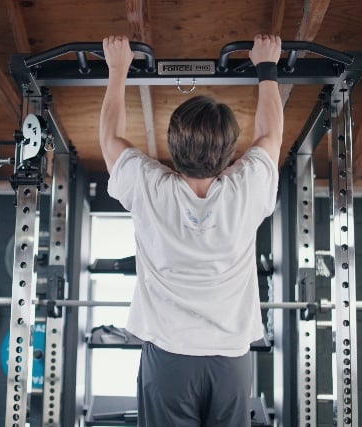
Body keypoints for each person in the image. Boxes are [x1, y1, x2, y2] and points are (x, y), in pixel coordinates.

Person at [100, 34, 283, 426]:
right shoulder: (246, 188)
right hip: (230, 361)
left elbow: (109, 139)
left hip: (168, 356)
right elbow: (271, 135)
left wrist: (118, 69)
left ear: (172, 144)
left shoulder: (149, 185)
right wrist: (266, 67)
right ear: (230, 151)